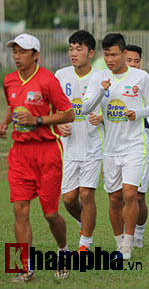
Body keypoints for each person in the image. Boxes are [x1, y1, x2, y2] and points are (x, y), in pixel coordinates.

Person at [1, 33, 75, 282]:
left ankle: (63, 252)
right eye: (14, 51)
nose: (16, 56)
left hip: (47, 152)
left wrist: (38, 120)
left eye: (22, 51)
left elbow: (69, 113)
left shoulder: (47, 80)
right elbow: (14, 107)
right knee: (19, 210)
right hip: (20, 155)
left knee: (50, 214)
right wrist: (4, 123)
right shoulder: (9, 80)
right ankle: (25, 269)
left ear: (35, 55)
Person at [82, 33, 149, 260]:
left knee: (130, 194)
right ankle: (119, 243)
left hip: (135, 145)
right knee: (114, 199)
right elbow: (86, 108)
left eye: (114, 54)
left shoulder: (141, 77)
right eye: (106, 55)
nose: (110, 59)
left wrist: (139, 113)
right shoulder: (99, 78)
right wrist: (100, 90)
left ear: (124, 54)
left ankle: (128, 244)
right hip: (111, 149)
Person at [55, 30, 103, 253]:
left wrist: (101, 118)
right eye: (71, 48)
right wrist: (58, 124)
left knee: (86, 193)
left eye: (79, 49)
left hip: (93, 145)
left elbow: (109, 110)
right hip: (69, 148)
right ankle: (85, 224)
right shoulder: (60, 75)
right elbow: (52, 108)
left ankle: (85, 243)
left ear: (90, 53)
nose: (74, 53)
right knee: (69, 200)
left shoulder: (99, 78)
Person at [124, 44, 149, 248]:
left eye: (137, 61)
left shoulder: (145, 81)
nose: (134, 64)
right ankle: (124, 236)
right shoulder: (111, 81)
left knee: (137, 196)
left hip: (141, 143)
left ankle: (137, 235)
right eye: (129, 60)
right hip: (117, 145)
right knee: (120, 196)